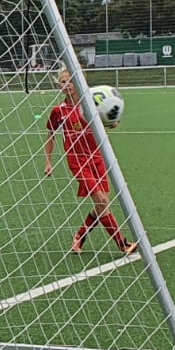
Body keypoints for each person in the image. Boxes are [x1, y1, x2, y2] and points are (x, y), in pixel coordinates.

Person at [43, 71, 139, 255]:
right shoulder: (58, 111)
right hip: (77, 161)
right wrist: (48, 161)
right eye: (62, 82)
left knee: (102, 204)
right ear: (59, 86)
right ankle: (123, 244)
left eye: (70, 81)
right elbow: (51, 135)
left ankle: (79, 236)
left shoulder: (91, 104)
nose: (67, 84)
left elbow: (107, 120)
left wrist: (112, 121)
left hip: (97, 157)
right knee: (102, 201)